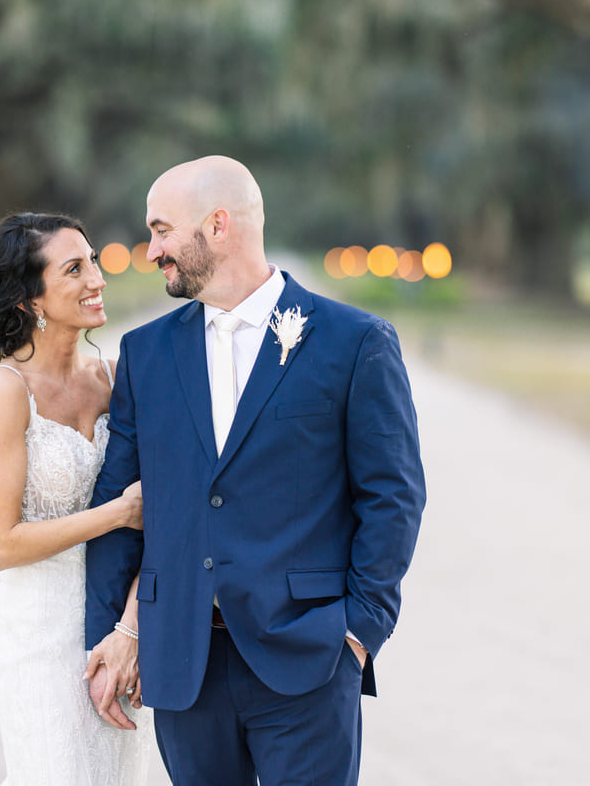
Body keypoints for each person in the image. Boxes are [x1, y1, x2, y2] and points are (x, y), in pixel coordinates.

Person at [84, 157, 426, 785]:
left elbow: (393, 497)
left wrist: (357, 632)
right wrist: (109, 631)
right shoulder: (146, 353)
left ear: (217, 226)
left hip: (309, 656)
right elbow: (120, 498)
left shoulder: (354, 341)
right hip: (185, 665)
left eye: (162, 230)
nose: (152, 248)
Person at [0, 212, 156, 786]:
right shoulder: (4, 392)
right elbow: (0, 546)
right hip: (40, 635)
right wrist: (119, 513)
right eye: (74, 269)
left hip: (114, 626)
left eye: (94, 261)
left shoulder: (115, 378)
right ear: (31, 299)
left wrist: (132, 629)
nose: (97, 278)